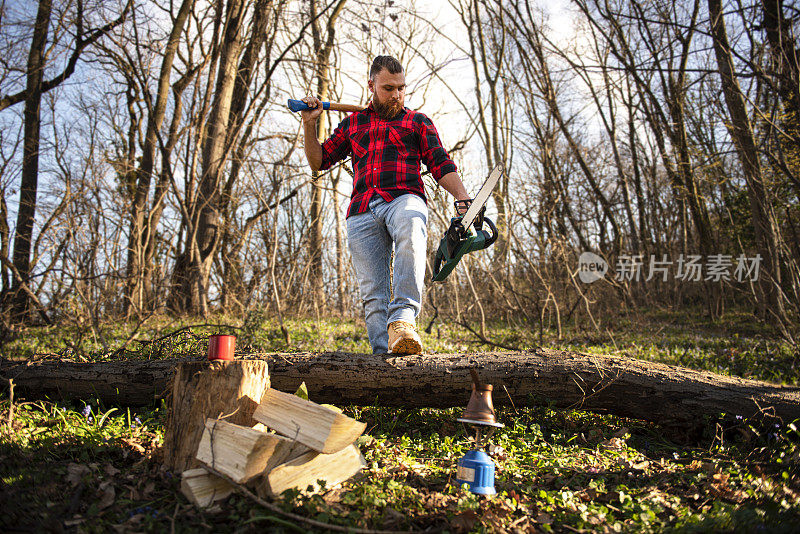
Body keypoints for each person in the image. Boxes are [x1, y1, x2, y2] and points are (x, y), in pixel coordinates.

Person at [300, 55, 470, 354]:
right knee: (372, 293)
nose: (396, 95)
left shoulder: (417, 121)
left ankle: (403, 320)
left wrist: (462, 197)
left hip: (403, 197)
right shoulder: (352, 124)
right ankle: (385, 356)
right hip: (362, 209)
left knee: (412, 226)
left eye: (401, 88)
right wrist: (309, 125)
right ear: (372, 85)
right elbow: (318, 161)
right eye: (388, 88)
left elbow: (441, 163)